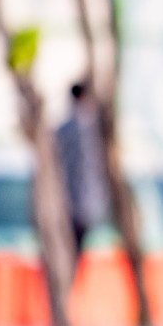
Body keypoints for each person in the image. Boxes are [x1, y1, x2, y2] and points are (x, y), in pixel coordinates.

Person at [55, 81, 110, 285]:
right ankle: (70, 290)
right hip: (83, 204)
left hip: (68, 203)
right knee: (75, 252)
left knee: (71, 252)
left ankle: (68, 289)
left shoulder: (63, 129)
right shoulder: (91, 129)